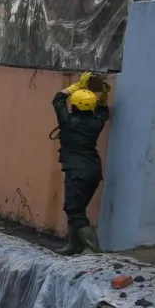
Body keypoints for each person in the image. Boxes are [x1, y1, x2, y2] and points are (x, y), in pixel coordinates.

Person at [51, 74, 109, 255]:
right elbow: (103, 108)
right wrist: (104, 94)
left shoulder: (68, 122)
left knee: (74, 208)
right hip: (93, 170)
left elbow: (58, 98)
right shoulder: (96, 122)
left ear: (74, 106)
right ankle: (74, 245)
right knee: (76, 207)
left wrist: (76, 86)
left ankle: (92, 249)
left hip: (77, 172)